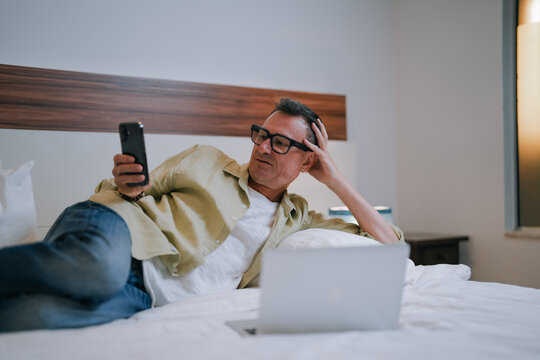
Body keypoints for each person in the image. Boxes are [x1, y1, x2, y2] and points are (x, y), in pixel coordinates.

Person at [0, 98, 402, 332]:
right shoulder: (205, 160)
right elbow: (130, 191)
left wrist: (336, 180)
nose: (263, 147)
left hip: (144, 296)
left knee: (32, 316)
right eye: (261, 135)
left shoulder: (298, 218)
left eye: (280, 143)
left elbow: (390, 244)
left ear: (306, 163)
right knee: (98, 271)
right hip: (117, 229)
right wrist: (127, 183)